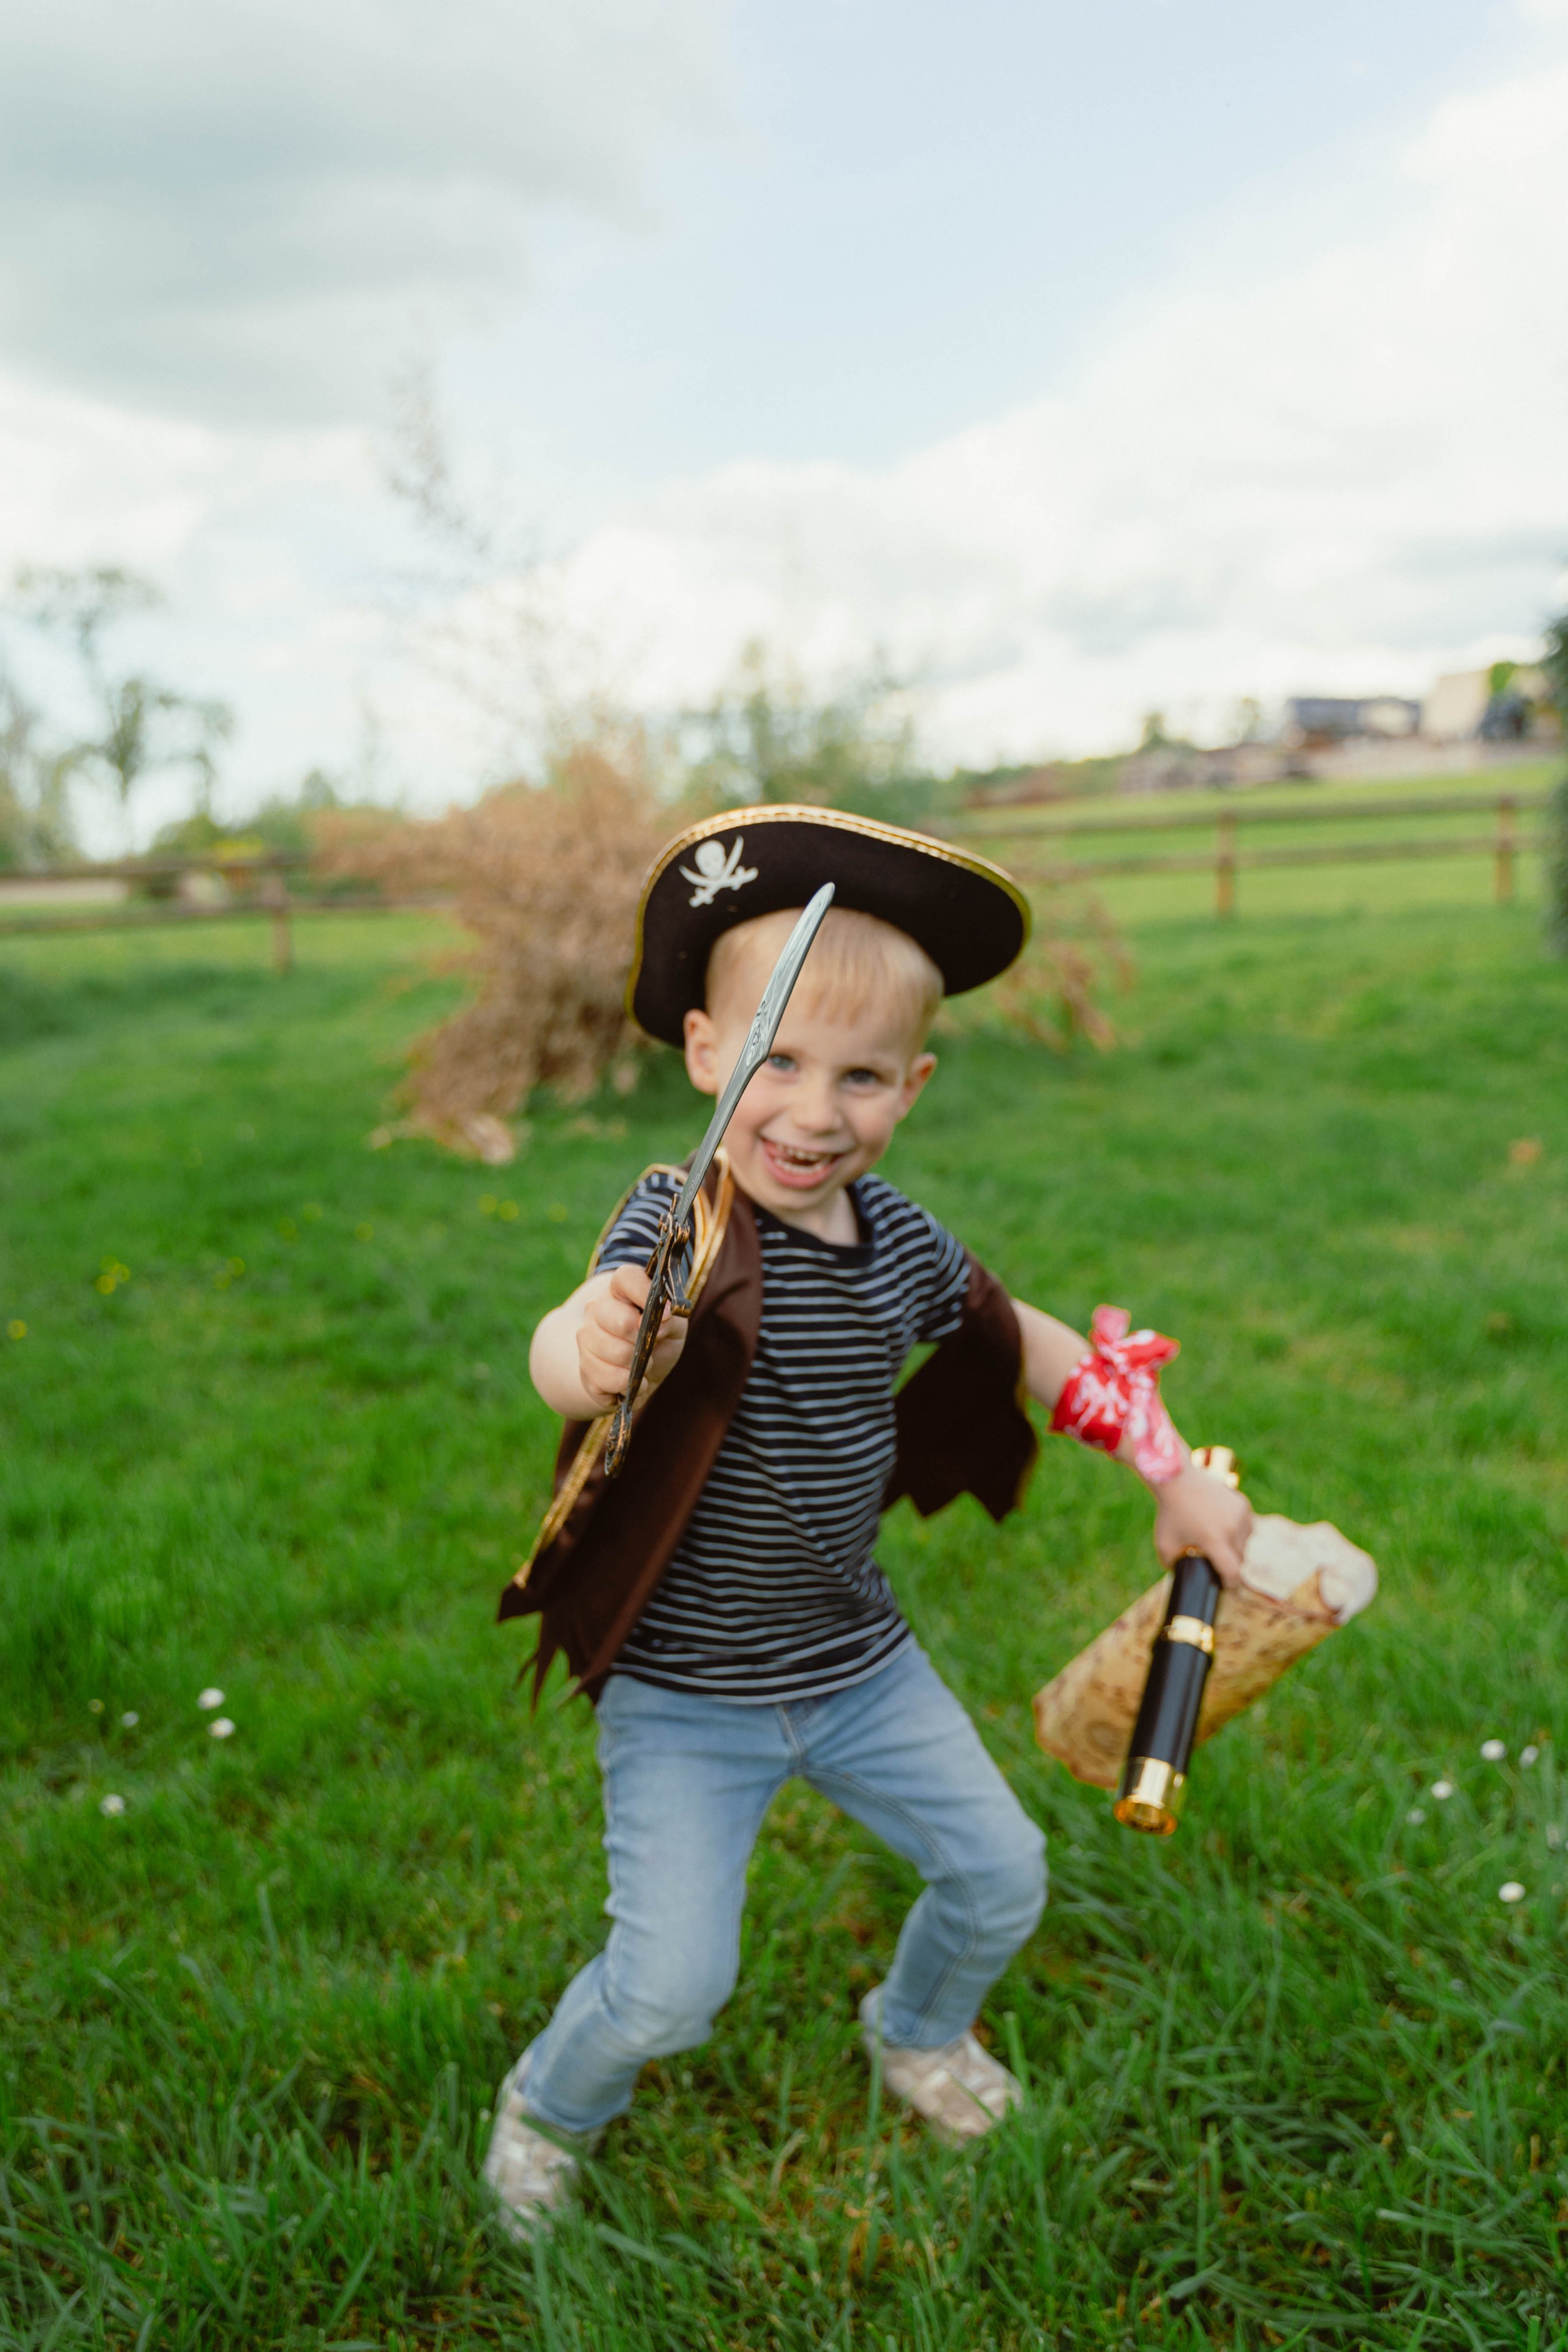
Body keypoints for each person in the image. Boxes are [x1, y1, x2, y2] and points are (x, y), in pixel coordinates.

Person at [483, 805, 1253, 2237]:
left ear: (912, 1085)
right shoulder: (677, 1220)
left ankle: (913, 2029)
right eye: (775, 1061)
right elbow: (574, 1331)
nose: (814, 1112)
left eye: (860, 1076)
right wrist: (584, 1347)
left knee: (999, 1874)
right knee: (667, 1988)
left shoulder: (895, 1243)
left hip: (856, 1665)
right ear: (707, 1057)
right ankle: (548, 2105)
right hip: (686, 1691)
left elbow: (1025, 1341)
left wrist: (1167, 1471)